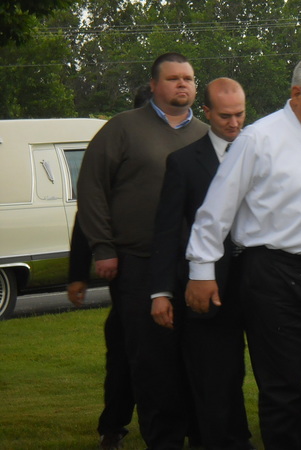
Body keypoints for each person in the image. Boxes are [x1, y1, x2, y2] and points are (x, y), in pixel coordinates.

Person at [184, 49, 301, 450]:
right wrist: (201, 271)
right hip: (274, 278)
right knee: (283, 390)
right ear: (296, 92)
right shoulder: (258, 138)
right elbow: (216, 210)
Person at [77, 52, 208, 449]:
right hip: (137, 261)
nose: (181, 84)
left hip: (192, 265)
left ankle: (197, 430)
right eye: (172, 78)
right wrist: (102, 247)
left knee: (194, 356)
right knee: (151, 360)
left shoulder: (205, 134)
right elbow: (92, 188)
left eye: (187, 78)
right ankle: (162, 437)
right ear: (154, 85)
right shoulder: (123, 128)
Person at [149, 77, 253, 450]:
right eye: (225, 116)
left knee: (273, 374)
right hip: (206, 289)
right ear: (206, 112)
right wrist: (161, 291)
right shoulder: (183, 163)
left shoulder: (263, 155)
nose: (234, 123)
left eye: (240, 114)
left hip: (261, 283)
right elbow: (166, 231)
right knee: (215, 377)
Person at [66, 82, 152, 450]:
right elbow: (89, 213)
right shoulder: (119, 150)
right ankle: (113, 425)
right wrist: (77, 274)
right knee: (126, 351)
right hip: (129, 267)